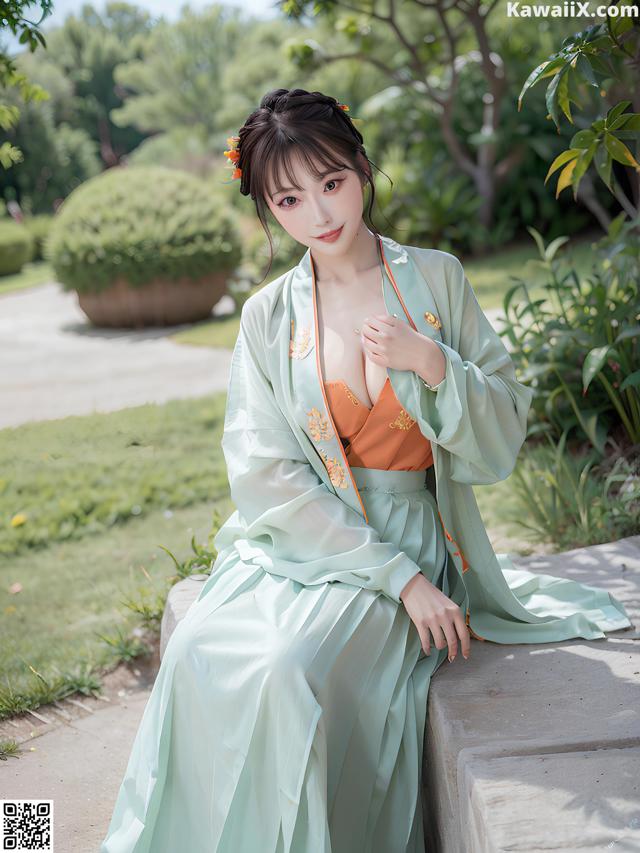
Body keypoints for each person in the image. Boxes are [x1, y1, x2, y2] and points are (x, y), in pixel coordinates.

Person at [100, 87, 632, 853]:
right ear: (267, 209)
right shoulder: (267, 316)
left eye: (331, 182)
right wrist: (392, 576)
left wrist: (434, 364)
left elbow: (506, 422)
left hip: (414, 532)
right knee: (197, 652)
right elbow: (266, 471)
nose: (319, 212)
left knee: (287, 669)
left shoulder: (436, 280)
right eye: (289, 197)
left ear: (360, 168)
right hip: (304, 544)